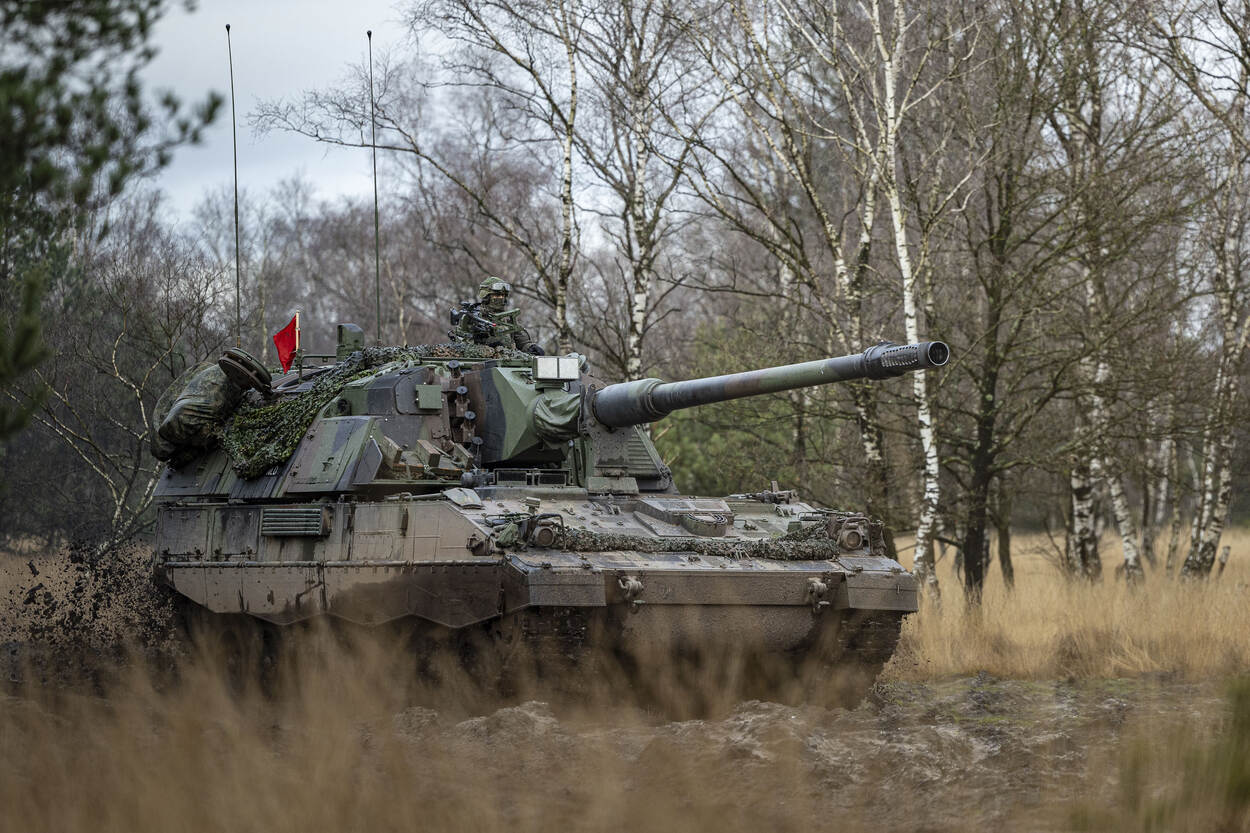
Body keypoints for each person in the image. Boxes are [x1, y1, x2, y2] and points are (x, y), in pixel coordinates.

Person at [453, 277, 545, 354]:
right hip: (481, 366)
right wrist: (487, 346)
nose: (501, 298)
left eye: (503, 296)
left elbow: (522, 341)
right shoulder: (472, 317)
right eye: (497, 295)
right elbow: (463, 347)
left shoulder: (507, 318)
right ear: (486, 297)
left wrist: (530, 347)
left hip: (508, 364)